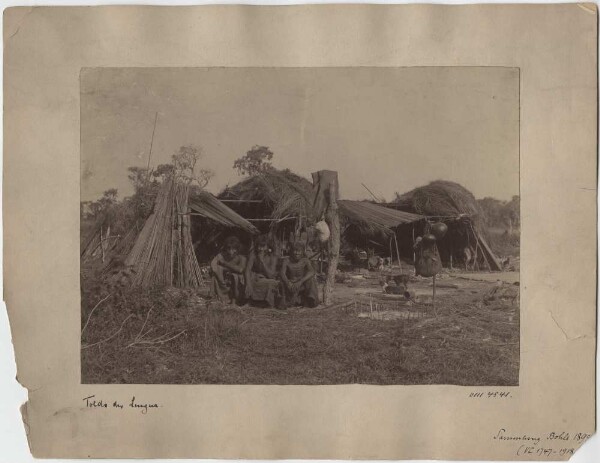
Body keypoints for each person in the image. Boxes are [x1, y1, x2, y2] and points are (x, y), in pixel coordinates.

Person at [244, 235, 281, 308]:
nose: (261, 249)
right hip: (256, 278)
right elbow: (248, 270)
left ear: (268, 247)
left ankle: (267, 303)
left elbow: (271, 275)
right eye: (259, 246)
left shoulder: (273, 256)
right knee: (250, 281)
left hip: (268, 278)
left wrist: (262, 261)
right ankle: (251, 302)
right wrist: (248, 284)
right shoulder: (253, 254)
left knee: (272, 283)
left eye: (263, 246)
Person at [280, 242, 319, 308]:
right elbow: (282, 273)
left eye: (299, 251)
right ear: (292, 251)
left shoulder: (305, 260)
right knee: (281, 283)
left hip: (301, 284)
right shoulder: (287, 260)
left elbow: (312, 271)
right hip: (290, 284)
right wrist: (288, 283)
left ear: (302, 252)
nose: (297, 253)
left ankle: (311, 301)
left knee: (311, 280)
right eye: (295, 251)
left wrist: (300, 282)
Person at [210, 236, 247, 304]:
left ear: (237, 249)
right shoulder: (222, 255)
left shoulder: (242, 257)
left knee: (235, 277)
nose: (230, 251)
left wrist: (224, 263)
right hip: (224, 279)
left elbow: (240, 269)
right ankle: (218, 297)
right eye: (229, 249)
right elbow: (213, 264)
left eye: (233, 249)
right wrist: (221, 269)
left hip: (236, 280)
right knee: (214, 275)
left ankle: (234, 300)